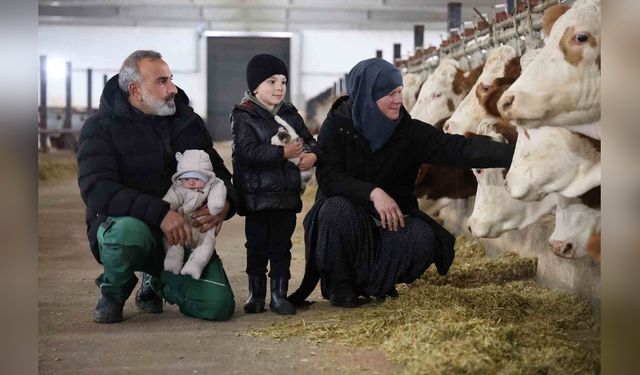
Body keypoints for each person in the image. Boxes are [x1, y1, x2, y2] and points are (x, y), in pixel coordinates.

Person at [288, 58, 515, 307]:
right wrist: (373, 193)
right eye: (389, 93)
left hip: (391, 220)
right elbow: (330, 178)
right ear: (367, 95)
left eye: (398, 91)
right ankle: (341, 287)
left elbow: (460, 149)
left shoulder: (408, 132)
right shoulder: (337, 126)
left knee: (422, 238)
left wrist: (521, 152)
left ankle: (372, 284)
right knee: (335, 210)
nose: (398, 99)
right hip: (349, 218)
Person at [77, 50, 237, 323]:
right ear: (135, 90)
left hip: (180, 234)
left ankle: (158, 279)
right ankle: (115, 289)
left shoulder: (188, 123)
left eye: (171, 79)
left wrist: (226, 205)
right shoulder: (100, 128)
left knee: (217, 305)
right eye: (162, 82)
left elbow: (219, 174)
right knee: (127, 233)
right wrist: (161, 213)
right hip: (132, 226)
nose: (172, 89)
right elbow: (97, 189)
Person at [230, 54, 320, 315]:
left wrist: (313, 155)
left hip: (285, 197)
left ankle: (279, 295)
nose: (280, 87)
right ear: (255, 86)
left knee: (281, 247)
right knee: (256, 247)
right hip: (257, 198)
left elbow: (311, 142)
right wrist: (283, 154)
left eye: (283, 81)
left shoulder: (291, 114)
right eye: (272, 81)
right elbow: (246, 152)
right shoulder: (243, 115)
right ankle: (255, 295)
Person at [162, 149, 227, 280]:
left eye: (196, 178)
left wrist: (216, 205)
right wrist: (164, 210)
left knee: (207, 243)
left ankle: (196, 264)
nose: (191, 182)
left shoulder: (213, 184)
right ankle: (173, 260)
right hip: (182, 224)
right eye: (186, 178)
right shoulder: (178, 188)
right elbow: (169, 201)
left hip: (203, 225)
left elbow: (218, 193)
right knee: (173, 240)